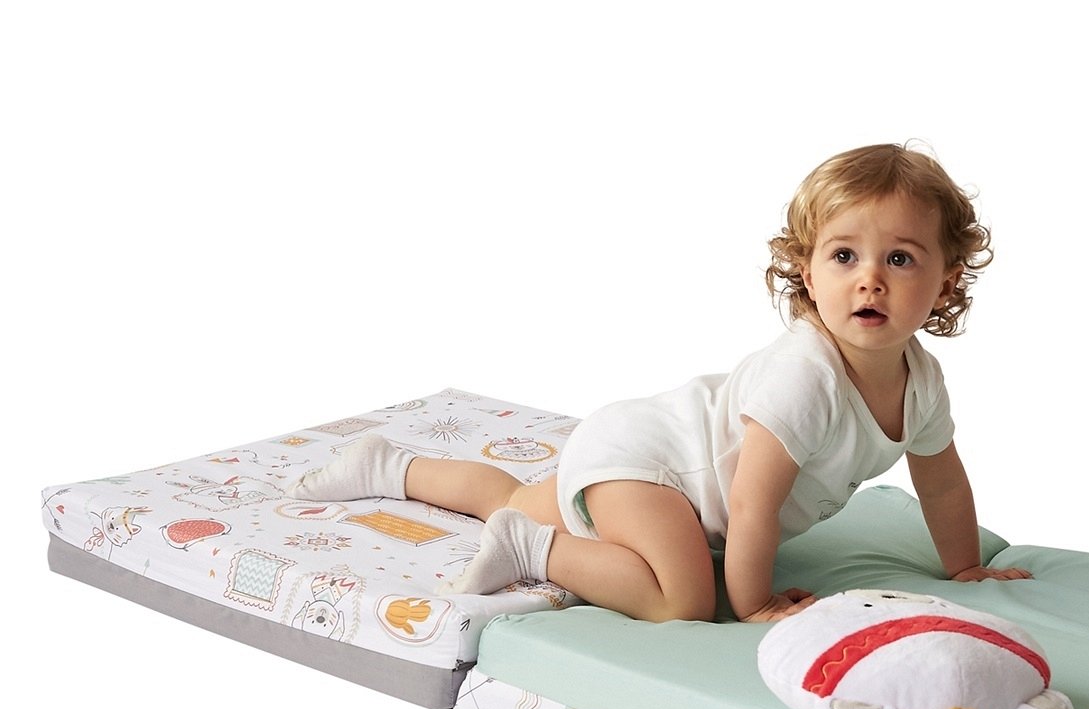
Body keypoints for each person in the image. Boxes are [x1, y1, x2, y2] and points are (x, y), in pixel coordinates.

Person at [288, 142, 1030, 624]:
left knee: (513, 495)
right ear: (807, 272)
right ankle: (531, 551)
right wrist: (753, 606)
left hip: (648, 453)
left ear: (945, 280)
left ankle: (389, 467)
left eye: (900, 259)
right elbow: (752, 503)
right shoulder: (806, 378)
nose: (869, 279)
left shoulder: (921, 382)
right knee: (683, 602)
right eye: (844, 256)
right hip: (656, 470)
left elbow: (941, 483)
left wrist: (964, 566)